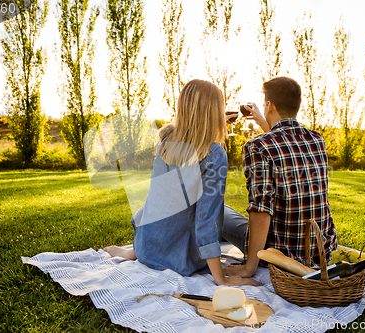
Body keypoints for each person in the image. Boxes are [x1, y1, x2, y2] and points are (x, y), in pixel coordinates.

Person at [104, 79, 261, 287]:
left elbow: (193, 134)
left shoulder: (166, 136)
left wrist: (214, 123)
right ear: (213, 113)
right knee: (219, 212)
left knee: (172, 198)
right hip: (180, 260)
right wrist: (221, 278)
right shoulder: (214, 154)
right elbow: (207, 220)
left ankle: (133, 253)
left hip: (145, 246)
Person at [223, 76, 338, 278]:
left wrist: (250, 267)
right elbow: (285, 147)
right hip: (320, 250)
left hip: (279, 253)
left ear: (269, 105)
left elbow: (261, 209)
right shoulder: (316, 139)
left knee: (219, 211)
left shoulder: (257, 146)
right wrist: (263, 121)